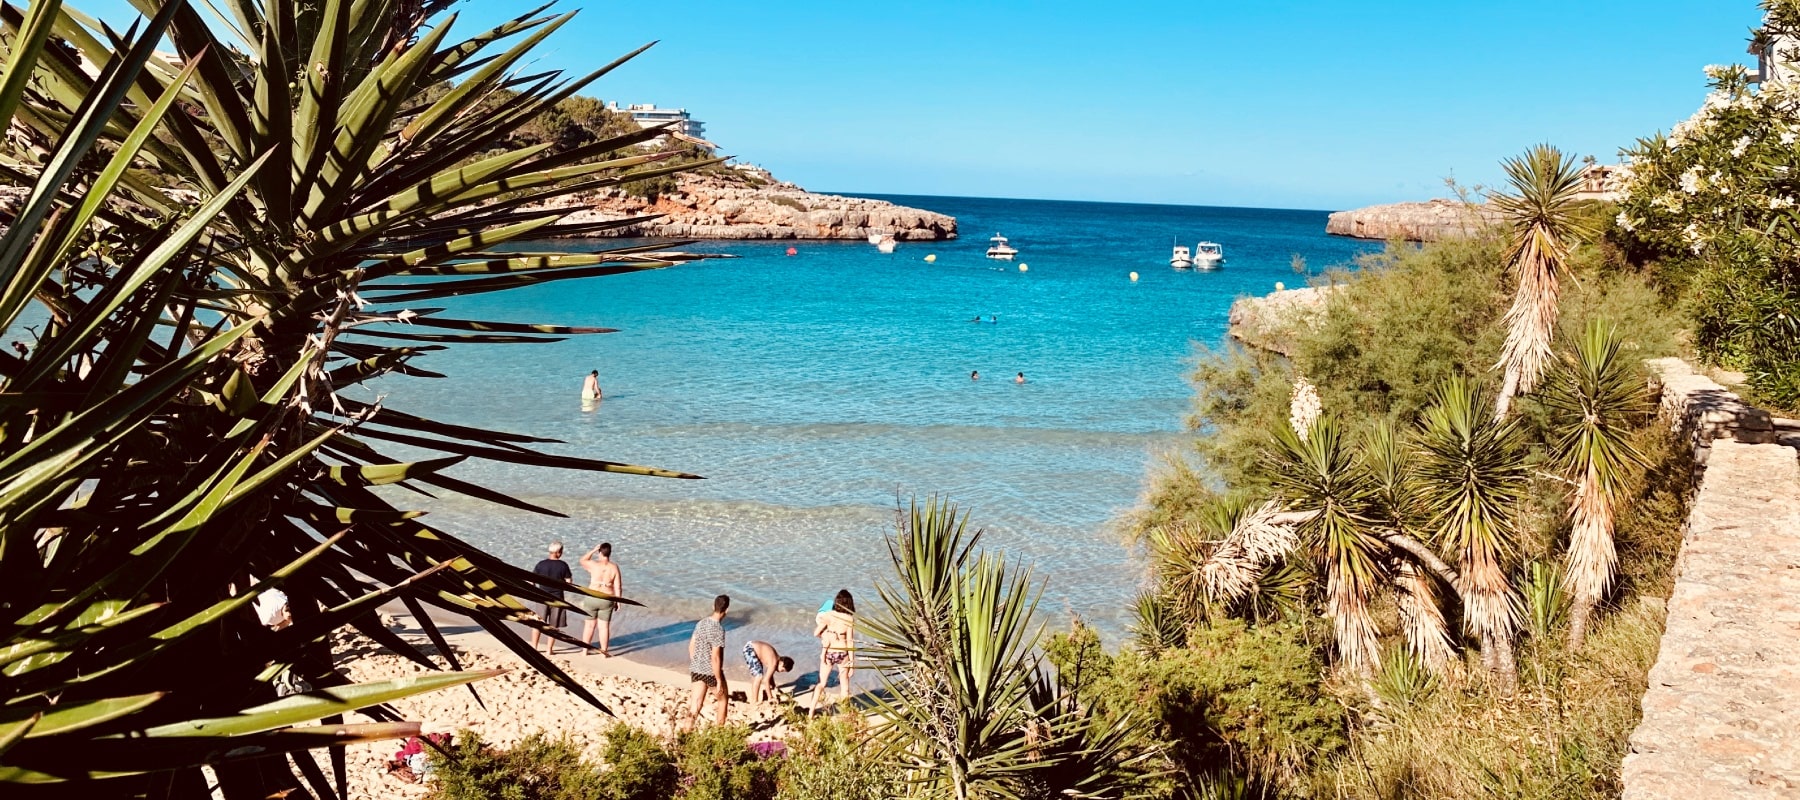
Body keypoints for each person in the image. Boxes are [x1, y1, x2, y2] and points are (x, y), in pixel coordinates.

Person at [683, 595, 731, 732]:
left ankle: (685, 733)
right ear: (726, 610)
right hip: (710, 671)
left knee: (695, 705)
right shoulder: (719, 630)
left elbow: (691, 645)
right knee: (722, 700)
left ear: (713, 606)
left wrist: (696, 661)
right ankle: (719, 733)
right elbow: (715, 658)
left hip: (696, 669)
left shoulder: (701, 623)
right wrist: (718, 679)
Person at [812, 589, 856, 715]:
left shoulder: (829, 615)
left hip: (829, 653)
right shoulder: (849, 619)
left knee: (822, 683)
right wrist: (852, 663)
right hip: (843, 654)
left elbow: (816, 633)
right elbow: (850, 642)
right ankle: (845, 715)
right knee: (845, 687)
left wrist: (826, 637)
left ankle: (811, 711)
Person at [578, 542, 622, 657]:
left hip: (592, 597)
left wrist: (593, 550)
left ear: (600, 552)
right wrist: (618, 601)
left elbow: (582, 560)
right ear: (610, 553)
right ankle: (604, 652)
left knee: (589, 626)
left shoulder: (594, 565)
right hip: (607, 599)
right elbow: (618, 586)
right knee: (604, 627)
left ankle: (584, 651)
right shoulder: (614, 567)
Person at [530, 542, 573, 655]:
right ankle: (549, 650)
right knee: (554, 625)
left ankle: (534, 647)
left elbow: (532, 580)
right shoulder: (563, 565)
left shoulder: (541, 564)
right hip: (557, 598)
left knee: (538, 623)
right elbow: (569, 582)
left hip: (542, 597)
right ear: (558, 552)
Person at [741, 640, 795, 707]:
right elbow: (766, 680)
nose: (781, 672)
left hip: (752, 647)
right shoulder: (774, 662)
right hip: (750, 649)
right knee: (758, 676)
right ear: (781, 663)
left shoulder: (775, 659)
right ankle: (754, 701)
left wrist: (774, 686)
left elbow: (770, 676)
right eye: (782, 670)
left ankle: (755, 699)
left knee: (758, 674)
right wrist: (770, 697)